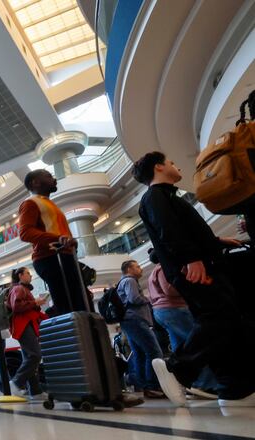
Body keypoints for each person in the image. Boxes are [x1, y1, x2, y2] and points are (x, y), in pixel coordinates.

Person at [133, 151, 255, 407]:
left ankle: (234, 387)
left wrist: (216, 241)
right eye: (172, 161)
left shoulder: (165, 197)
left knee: (228, 322)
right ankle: (178, 367)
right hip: (194, 268)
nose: (177, 166)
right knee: (220, 316)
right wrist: (191, 258)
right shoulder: (156, 197)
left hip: (199, 263)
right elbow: (169, 231)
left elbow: (183, 230)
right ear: (158, 167)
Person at [147, 250, 217, 396]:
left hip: (163, 311)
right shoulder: (163, 269)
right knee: (197, 344)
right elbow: (169, 290)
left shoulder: (154, 271)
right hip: (174, 308)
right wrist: (188, 284)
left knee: (180, 345)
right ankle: (204, 383)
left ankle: (188, 381)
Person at [18, 170, 84, 315]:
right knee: (69, 306)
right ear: (35, 182)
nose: (53, 178)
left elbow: (60, 232)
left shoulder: (48, 204)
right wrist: (58, 238)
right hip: (51, 257)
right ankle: (76, 335)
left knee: (79, 302)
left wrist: (71, 243)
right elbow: (24, 232)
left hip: (64, 256)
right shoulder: (31, 203)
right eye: (48, 176)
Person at [116, 260, 165, 398]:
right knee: (154, 352)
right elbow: (134, 299)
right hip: (136, 320)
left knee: (140, 354)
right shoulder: (130, 281)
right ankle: (152, 385)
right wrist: (148, 299)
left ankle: (143, 385)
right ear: (129, 269)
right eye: (137, 267)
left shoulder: (124, 282)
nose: (140, 269)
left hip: (130, 321)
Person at [7, 267, 48, 400]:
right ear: (20, 275)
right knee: (35, 355)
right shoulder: (18, 289)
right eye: (28, 274)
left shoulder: (21, 289)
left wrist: (35, 303)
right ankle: (15, 383)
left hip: (25, 325)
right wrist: (35, 302)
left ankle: (35, 390)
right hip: (23, 325)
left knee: (29, 357)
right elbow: (17, 306)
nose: (30, 276)